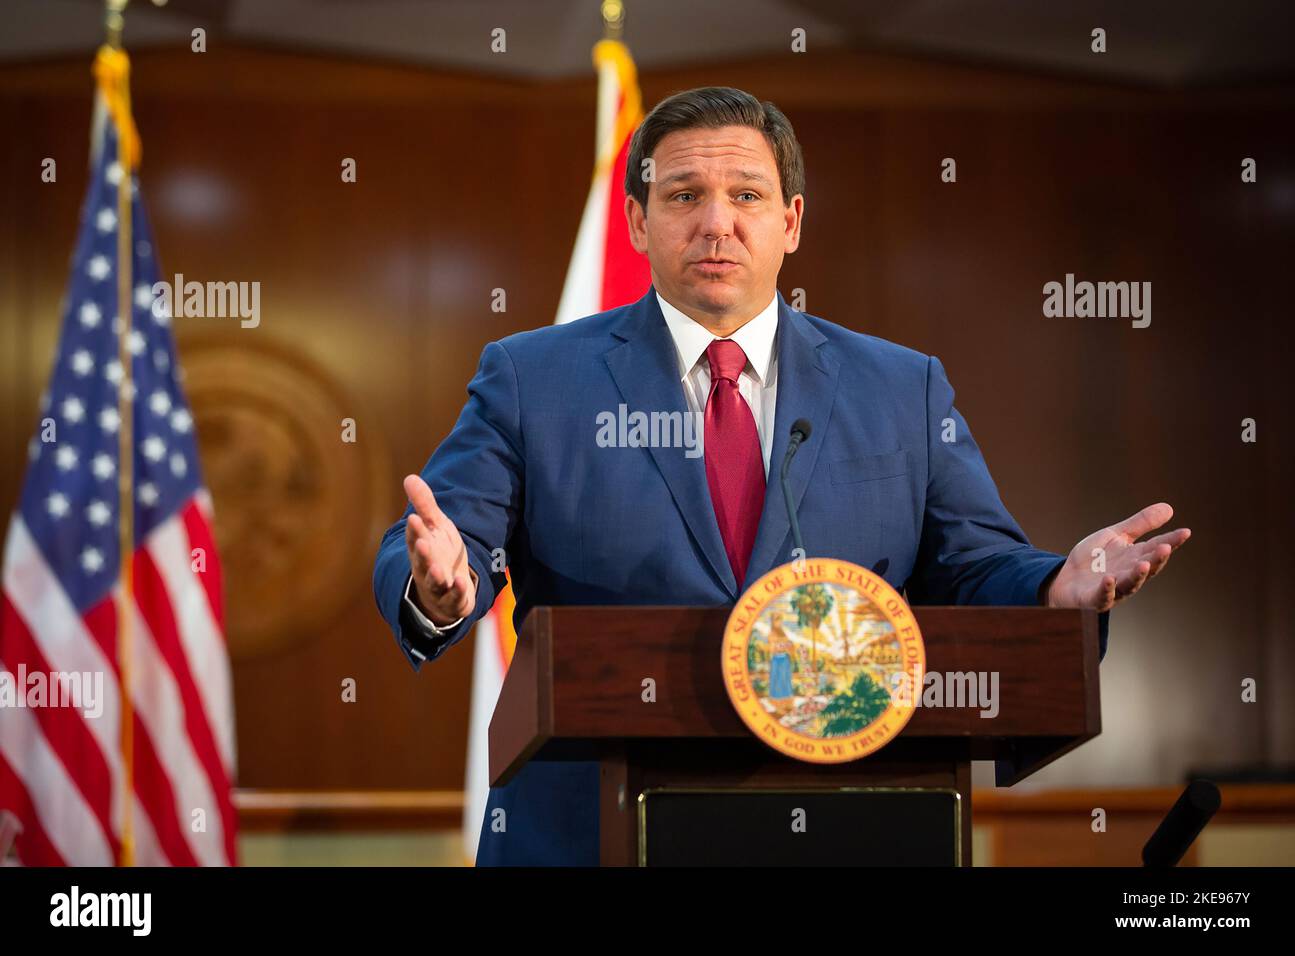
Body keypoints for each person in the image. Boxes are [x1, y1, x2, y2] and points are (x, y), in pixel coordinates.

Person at [372, 86, 1191, 866]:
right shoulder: (533, 378)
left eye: (748, 196)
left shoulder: (903, 388)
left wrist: (1057, 592)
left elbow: (975, 566)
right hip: (590, 829)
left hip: (846, 820)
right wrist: (439, 588)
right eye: (684, 195)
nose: (716, 224)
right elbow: (451, 543)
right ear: (636, 220)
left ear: (792, 221)